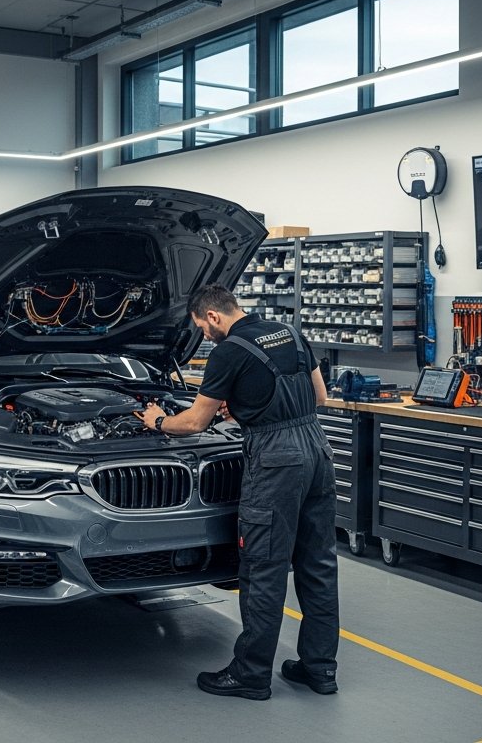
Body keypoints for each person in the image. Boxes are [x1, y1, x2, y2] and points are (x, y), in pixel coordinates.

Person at [139, 284, 339, 701]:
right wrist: (251, 404)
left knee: (263, 568)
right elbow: (319, 396)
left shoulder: (228, 352)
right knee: (318, 564)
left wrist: (157, 420)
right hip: (317, 450)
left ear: (213, 316)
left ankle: (251, 674)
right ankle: (320, 669)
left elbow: (194, 423)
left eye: (201, 327)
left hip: (275, 461)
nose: (204, 336)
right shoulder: (290, 333)